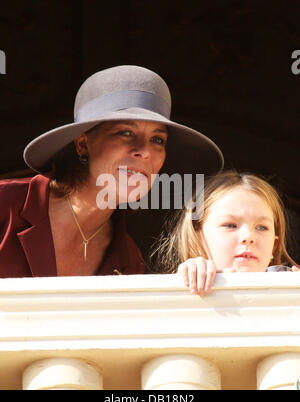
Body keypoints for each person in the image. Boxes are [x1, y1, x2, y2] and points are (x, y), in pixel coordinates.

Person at [0, 65, 223, 278]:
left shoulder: (128, 259)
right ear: (83, 145)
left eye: (157, 139)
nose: (144, 151)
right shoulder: (5, 203)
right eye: (125, 132)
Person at [154, 170, 300, 295]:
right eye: (230, 225)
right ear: (195, 240)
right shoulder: (182, 286)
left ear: (273, 246)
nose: (248, 237)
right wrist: (189, 277)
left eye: (262, 227)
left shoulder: (289, 292)